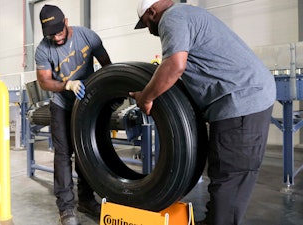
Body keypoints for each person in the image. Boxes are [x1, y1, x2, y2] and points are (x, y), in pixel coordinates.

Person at [129, 0, 276, 225]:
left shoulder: (172, 17)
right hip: (241, 99)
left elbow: (175, 65)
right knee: (223, 172)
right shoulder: (187, 14)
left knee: (230, 176)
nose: (149, 30)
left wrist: (147, 97)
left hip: (242, 101)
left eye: (146, 23)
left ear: (152, 11)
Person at [34, 4, 112, 225]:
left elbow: (107, 65)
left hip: (87, 102)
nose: (56, 38)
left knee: (85, 151)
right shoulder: (43, 49)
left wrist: (109, 94)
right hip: (62, 103)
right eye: (51, 34)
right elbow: (44, 80)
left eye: (59, 32)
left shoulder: (87, 36)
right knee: (63, 154)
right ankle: (66, 207)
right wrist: (67, 85)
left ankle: (86, 200)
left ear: (66, 22)